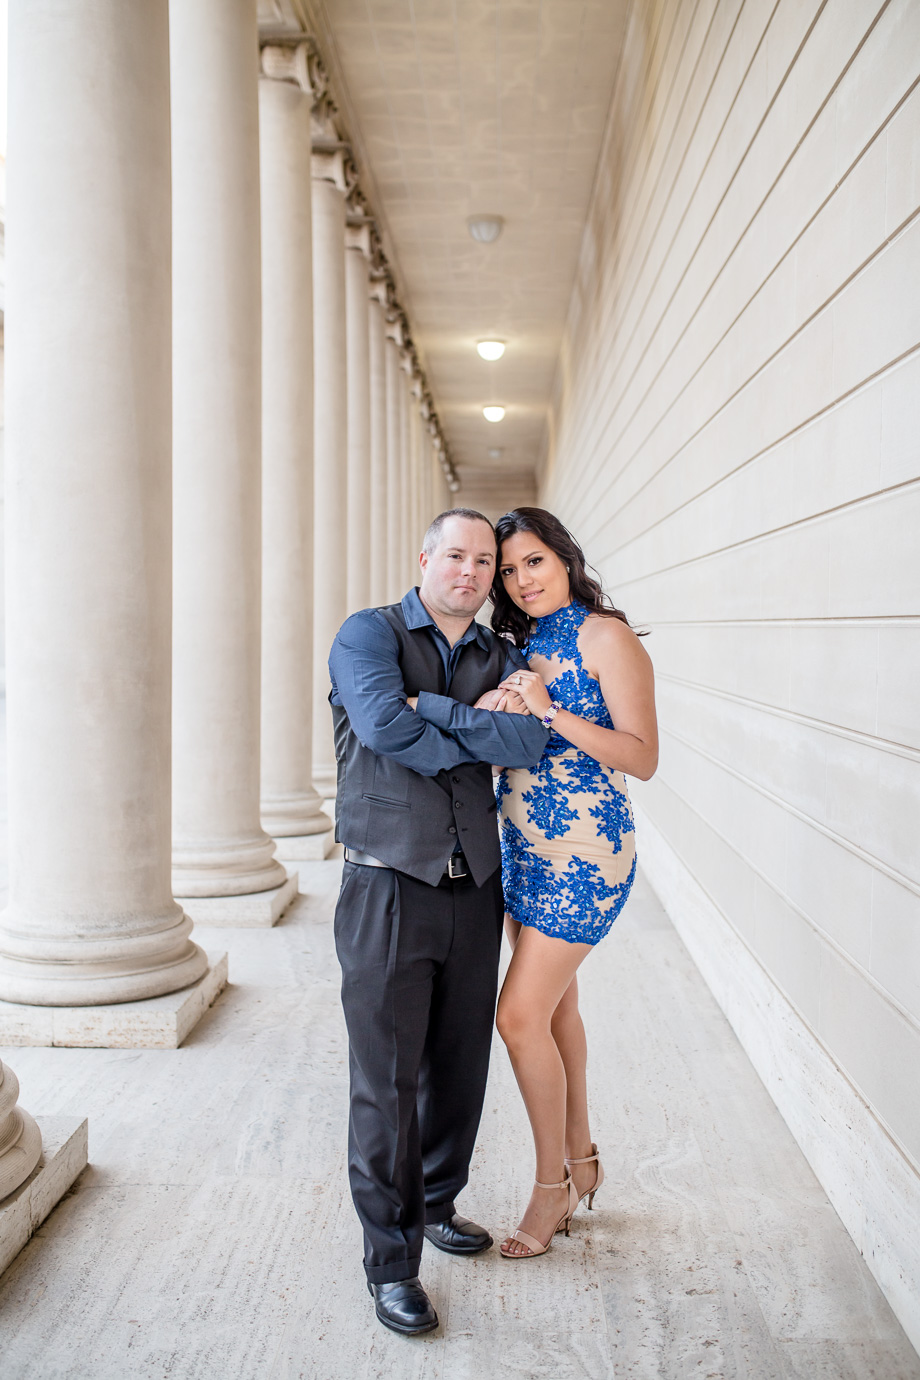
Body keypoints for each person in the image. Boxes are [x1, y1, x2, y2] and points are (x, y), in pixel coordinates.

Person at [328, 508, 549, 1335]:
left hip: (473, 889)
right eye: (454, 555)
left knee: (459, 1070)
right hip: (387, 885)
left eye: (483, 562)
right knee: (386, 1084)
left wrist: (446, 714)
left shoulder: (504, 654)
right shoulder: (369, 636)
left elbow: (530, 745)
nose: (469, 571)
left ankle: (436, 1203)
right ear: (425, 559)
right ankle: (391, 1265)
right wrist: (478, 728)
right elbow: (385, 728)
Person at [489, 507, 658, 1259]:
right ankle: (583, 1150)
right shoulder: (518, 643)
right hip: (522, 847)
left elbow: (641, 755)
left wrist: (547, 710)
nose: (521, 580)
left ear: (562, 557)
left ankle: (551, 1187)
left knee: (518, 1017)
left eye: (533, 562)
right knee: (556, 1012)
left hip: (586, 853)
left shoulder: (604, 635)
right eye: (507, 569)